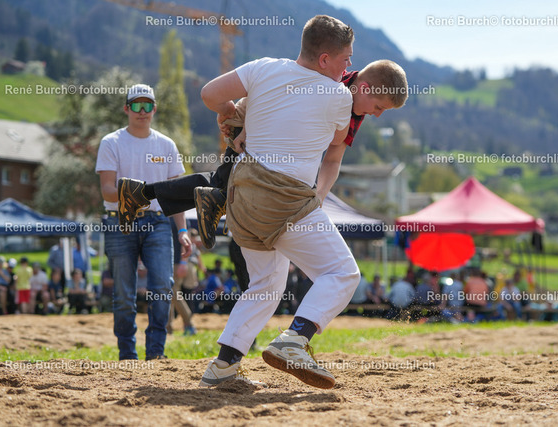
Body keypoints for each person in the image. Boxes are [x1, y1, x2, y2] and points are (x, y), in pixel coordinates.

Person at [197, 14, 363, 389]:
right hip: (284, 199)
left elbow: (209, 94)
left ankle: (223, 367)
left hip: (241, 196)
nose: (349, 65)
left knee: (266, 285)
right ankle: (295, 339)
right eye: (345, 58)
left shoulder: (263, 67)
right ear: (325, 59)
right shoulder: (339, 96)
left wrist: (231, 115)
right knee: (342, 273)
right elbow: (338, 141)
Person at [118, 56, 409, 252]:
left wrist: (319, 196)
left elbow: (333, 159)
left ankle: (142, 194)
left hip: (257, 127)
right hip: (252, 119)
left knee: (221, 183)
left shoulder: (353, 111)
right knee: (225, 185)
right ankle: (154, 196)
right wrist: (247, 127)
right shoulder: (329, 79)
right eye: (379, 107)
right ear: (365, 88)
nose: (377, 115)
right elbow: (277, 91)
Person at [95, 83, 191, 361]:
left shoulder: (167, 145)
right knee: (124, 293)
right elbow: (107, 191)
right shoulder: (111, 142)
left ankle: (156, 353)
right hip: (119, 221)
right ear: (126, 109)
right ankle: (127, 353)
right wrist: (140, 194)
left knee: (162, 288)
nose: (142, 111)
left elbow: (176, 196)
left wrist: (183, 230)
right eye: (136, 105)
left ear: (154, 109)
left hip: (158, 222)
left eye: (147, 105)